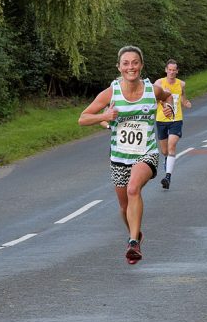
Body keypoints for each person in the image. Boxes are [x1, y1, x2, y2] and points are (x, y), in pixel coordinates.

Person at [78, 46, 173, 264]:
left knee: (133, 189)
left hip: (146, 152)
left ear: (141, 65)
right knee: (123, 207)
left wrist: (169, 109)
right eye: (126, 63)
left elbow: (167, 98)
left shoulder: (152, 89)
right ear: (119, 67)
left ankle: (132, 243)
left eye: (135, 62)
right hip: (119, 156)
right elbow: (83, 118)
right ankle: (135, 234)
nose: (131, 67)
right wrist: (106, 115)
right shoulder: (111, 93)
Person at [153, 59, 192, 189]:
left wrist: (185, 103)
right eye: (169, 70)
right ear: (166, 70)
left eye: (174, 70)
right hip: (161, 120)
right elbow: (153, 97)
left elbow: (182, 97)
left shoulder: (181, 84)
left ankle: (168, 177)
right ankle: (167, 160)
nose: (171, 72)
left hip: (176, 119)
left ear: (177, 71)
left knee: (171, 146)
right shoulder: (159, 83)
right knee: (164, 151)